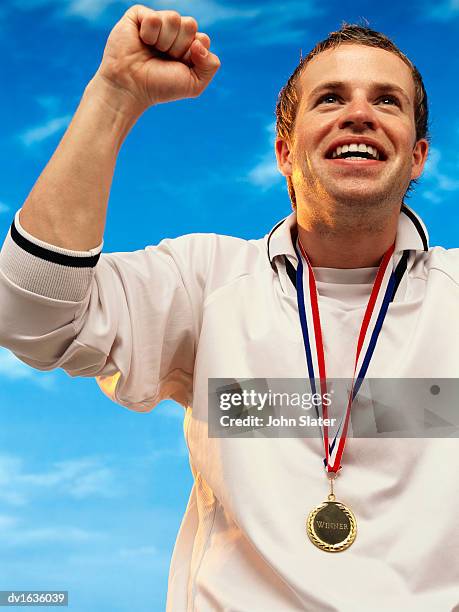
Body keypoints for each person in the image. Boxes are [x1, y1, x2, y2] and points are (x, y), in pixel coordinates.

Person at [0, 4, 458, 610]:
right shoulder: (204, 281)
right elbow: (29, 317)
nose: (358, 115)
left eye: (386, 101)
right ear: (284, 153)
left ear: (419, 155)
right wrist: (115, 95)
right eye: (330, 99)